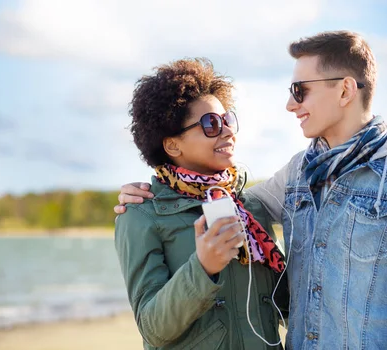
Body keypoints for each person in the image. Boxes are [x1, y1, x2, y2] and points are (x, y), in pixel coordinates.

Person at [117, 31, 387, 349]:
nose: (290, 104)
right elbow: (228, 206)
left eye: (301, 90)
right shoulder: (295, 175)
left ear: (345, 90)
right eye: (211, 124)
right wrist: (148, 195)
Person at [114, 58, 289, 350]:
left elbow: (286, 307)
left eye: (228, 119)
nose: (227, 131)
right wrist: (203, 268)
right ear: (172, 145)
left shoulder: (252, 209)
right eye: (211, 124)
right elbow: (152, 329)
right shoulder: (141, 214)